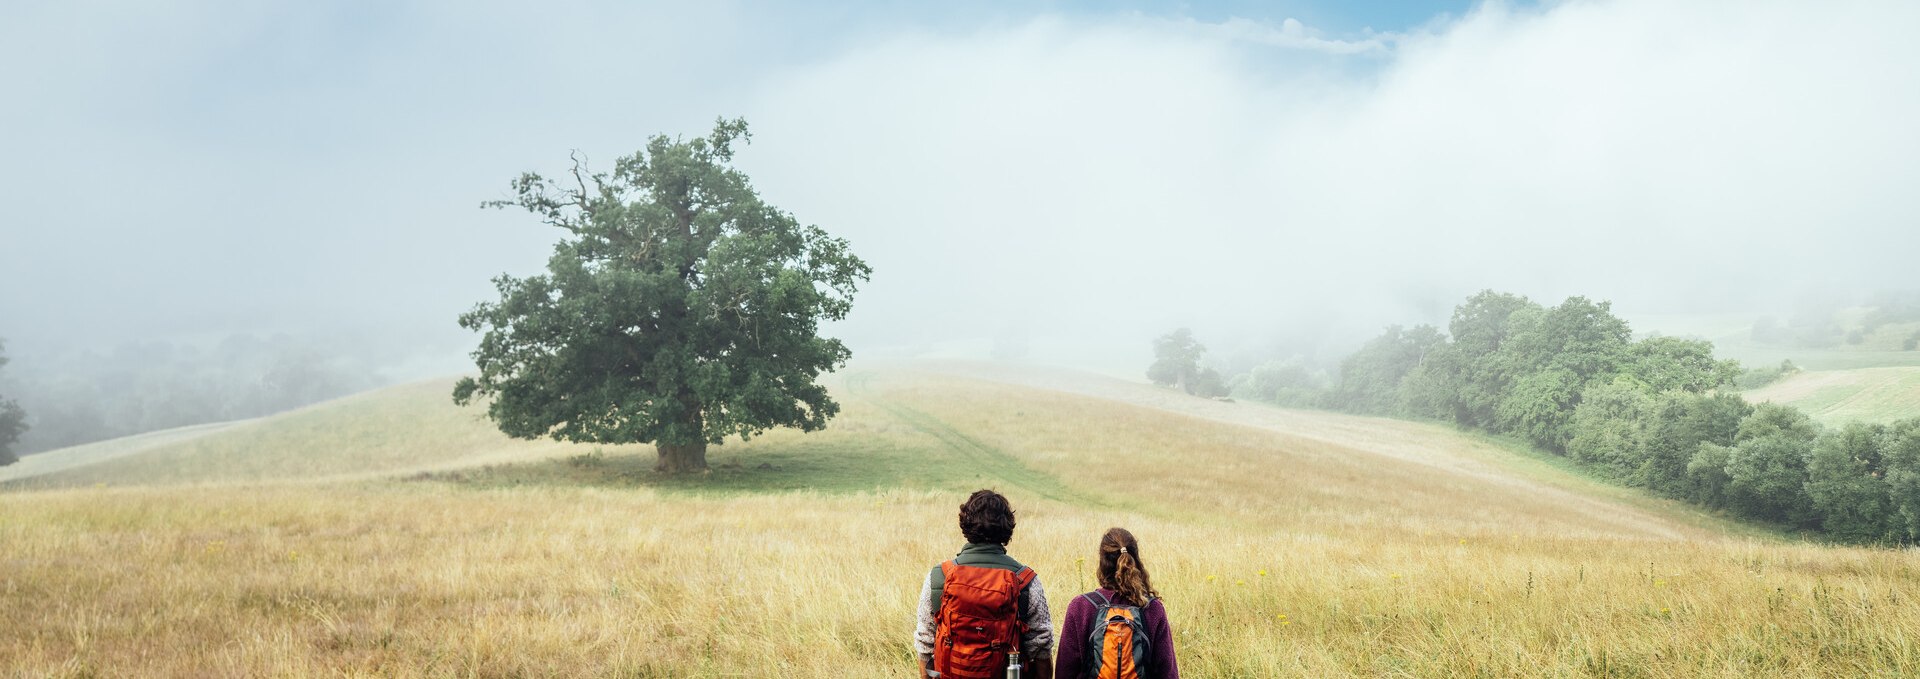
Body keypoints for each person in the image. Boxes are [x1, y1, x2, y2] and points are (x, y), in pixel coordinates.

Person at [915, 489, 1054, 679]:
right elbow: (1041, 648)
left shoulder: (939, 577)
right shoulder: (1026, 581)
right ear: (1008, 527)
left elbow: (925, 644)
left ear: (965, 524)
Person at [1054, 528, 1178, 678]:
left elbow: (1064, 672)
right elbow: (1168, 673)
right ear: (1136, 560)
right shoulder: (1153, 609)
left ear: (1102, 562)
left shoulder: (1080, 607)